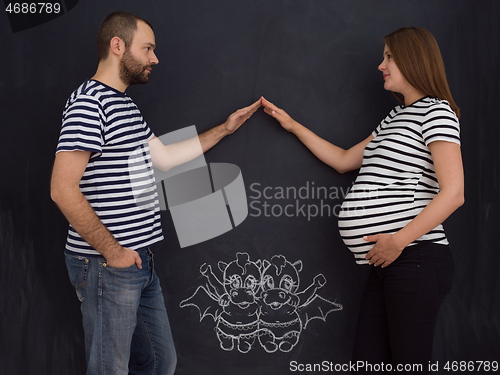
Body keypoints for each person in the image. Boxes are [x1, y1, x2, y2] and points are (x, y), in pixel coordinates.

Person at [50, 10, 260, 375]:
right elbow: (61, 190)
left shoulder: (124, 104)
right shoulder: (89, 103)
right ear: (118, 46)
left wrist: (225, 129)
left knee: (161, 362)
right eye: (147, 48)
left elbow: (164, 158)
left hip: (139, 262)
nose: (154, 58)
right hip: (107, 265)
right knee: (108, 369)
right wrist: (113, 252)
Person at [262, 27, 463, 374]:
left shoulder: (437, 112)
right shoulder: (395, 117)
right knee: (367, 364)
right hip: (386, 263)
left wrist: (397, 242)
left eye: (388, 56)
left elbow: (454, 193)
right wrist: (293, 126)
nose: (380, 65)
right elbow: (343, 159)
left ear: (413, 60)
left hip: (414, 257)